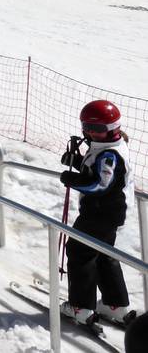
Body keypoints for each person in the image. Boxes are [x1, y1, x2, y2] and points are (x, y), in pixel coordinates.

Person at [59, 99, 137, 327]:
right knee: (103, 254)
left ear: (112, 128)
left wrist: (73, 179)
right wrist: (78, 161)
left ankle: (81, 307)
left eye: (98, 128)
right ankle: (115, 304)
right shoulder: (106, 145)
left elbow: (100, 184)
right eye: (87, 127)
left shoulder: (110, 154)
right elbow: (97, 170)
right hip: (108, 214)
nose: (92, 132)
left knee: (80, 252)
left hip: (100, 215)